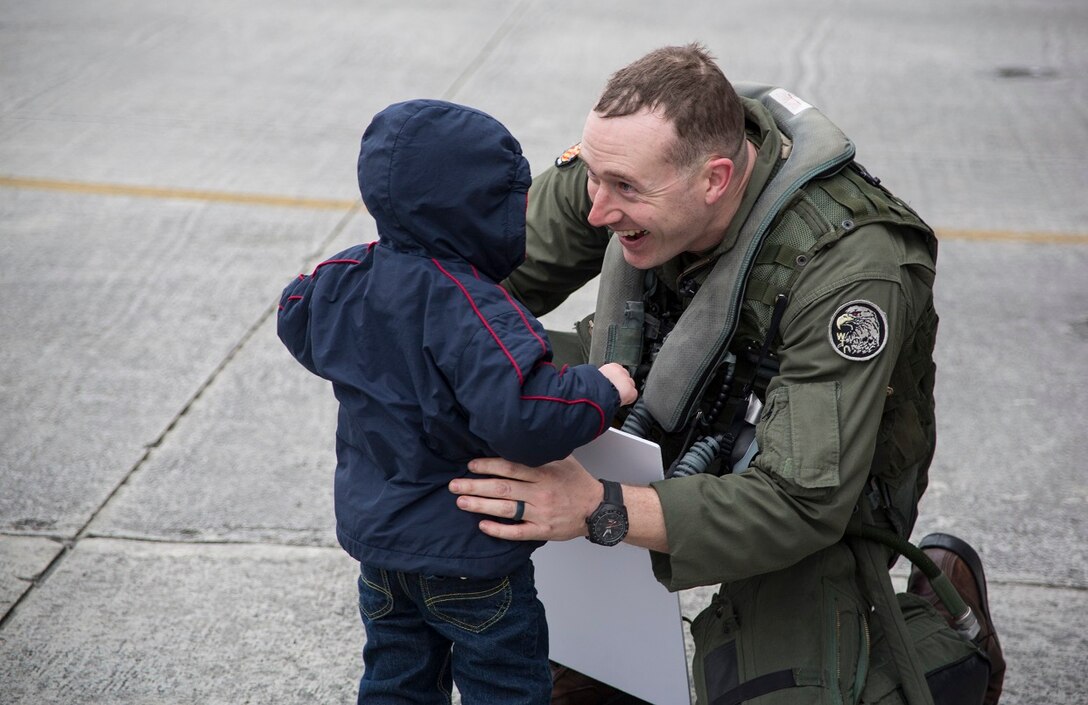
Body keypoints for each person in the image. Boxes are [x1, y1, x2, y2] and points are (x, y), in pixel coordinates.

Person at [448, 44, 1005, 705]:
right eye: (595, 176)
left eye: (623, 188)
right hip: (654, 403)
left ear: (713, 180)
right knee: (464, 397)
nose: (597, 209)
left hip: (803, 479)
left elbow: (800, 500)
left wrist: (598, 508)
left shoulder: (849, 265)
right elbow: (458, 288)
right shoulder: (629, 167)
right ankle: (588, 647)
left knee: (776, 694)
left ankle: (944, 626)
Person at [277, 99, 637, 705]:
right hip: (469, 554)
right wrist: (603, 387)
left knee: (395, 679)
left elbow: (296, 310)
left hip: (381, 550)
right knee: (505, 684)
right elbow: (524, 415)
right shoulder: (476, 309)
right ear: (479, 207)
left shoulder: (345, 278)